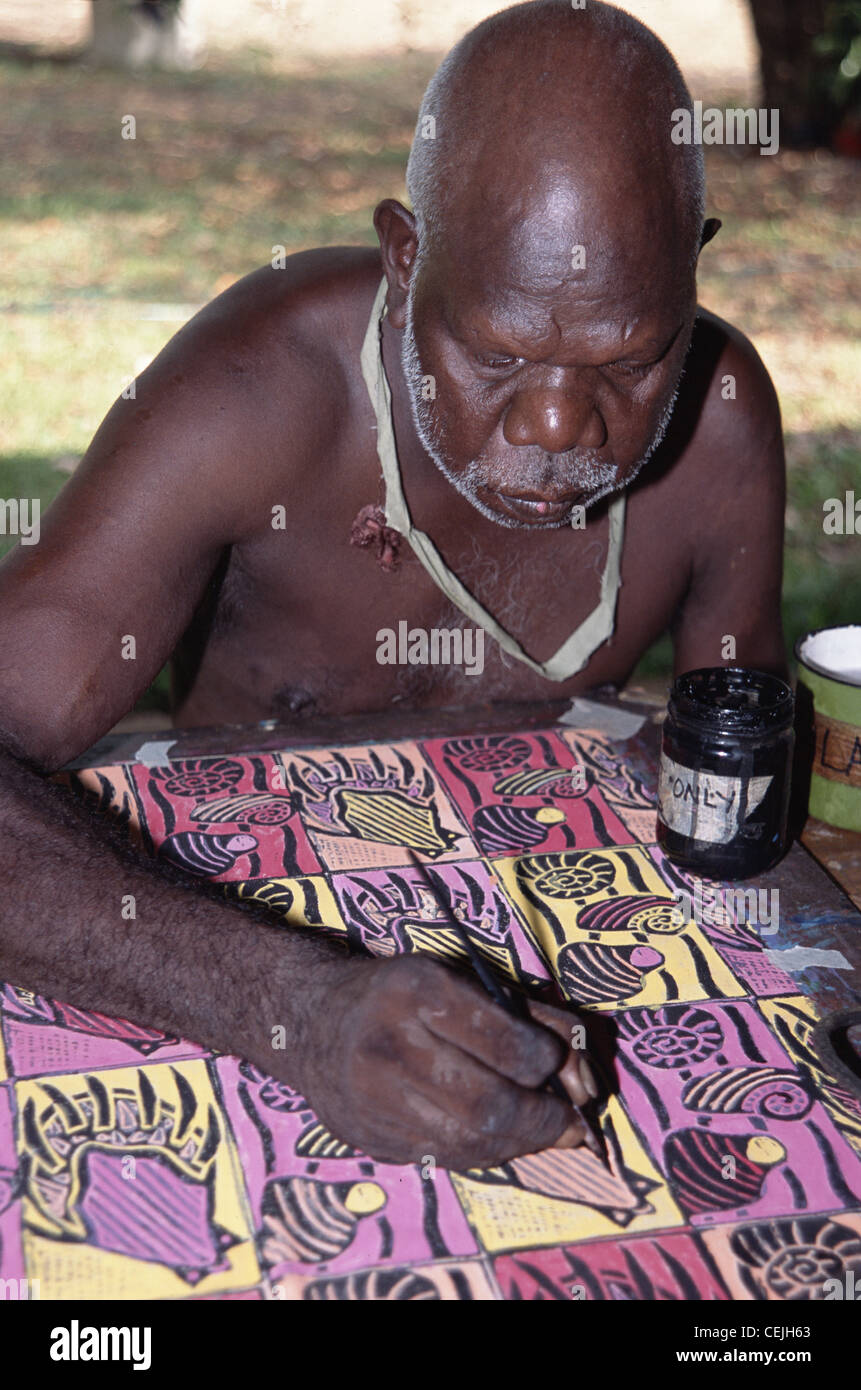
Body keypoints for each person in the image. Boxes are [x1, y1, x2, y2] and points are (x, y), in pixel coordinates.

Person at [0, 0, 787, 1167]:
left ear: (692, 270)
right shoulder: (258, 392)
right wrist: (301, 1006)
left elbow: (744, 813)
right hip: (217, 981)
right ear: (407, 255)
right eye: (499, 352)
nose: (560, 423)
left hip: (562, 996)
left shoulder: (720, 428)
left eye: (628, 357)